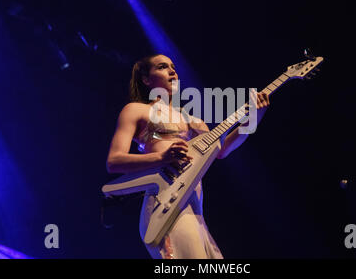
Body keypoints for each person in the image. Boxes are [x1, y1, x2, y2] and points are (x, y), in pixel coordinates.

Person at [106, 54, 270, 259]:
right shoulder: (136, 110)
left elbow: (221, 150)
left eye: (173, 66)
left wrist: (253, 119)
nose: (172, 70)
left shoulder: (192, 120)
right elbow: (114, 162)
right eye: (162, 67)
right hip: (164, 204)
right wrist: (161, 158)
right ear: (147, 79)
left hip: (195, 209)